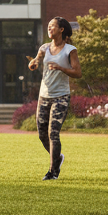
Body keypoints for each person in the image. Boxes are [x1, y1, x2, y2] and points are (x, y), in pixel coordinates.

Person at [27, 17, 81, 180]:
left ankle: (52, 171)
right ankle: (57, 158)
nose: (49, 29)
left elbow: (77, 73)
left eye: (52, 26)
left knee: (53, 133)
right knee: (42, 134)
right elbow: (36, 60)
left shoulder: (70, 50)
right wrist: (33, 64)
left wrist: (60, 68)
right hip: (44, 96)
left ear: (61, 29)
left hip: (61, 97)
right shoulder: (44, 48)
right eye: (48, 26)